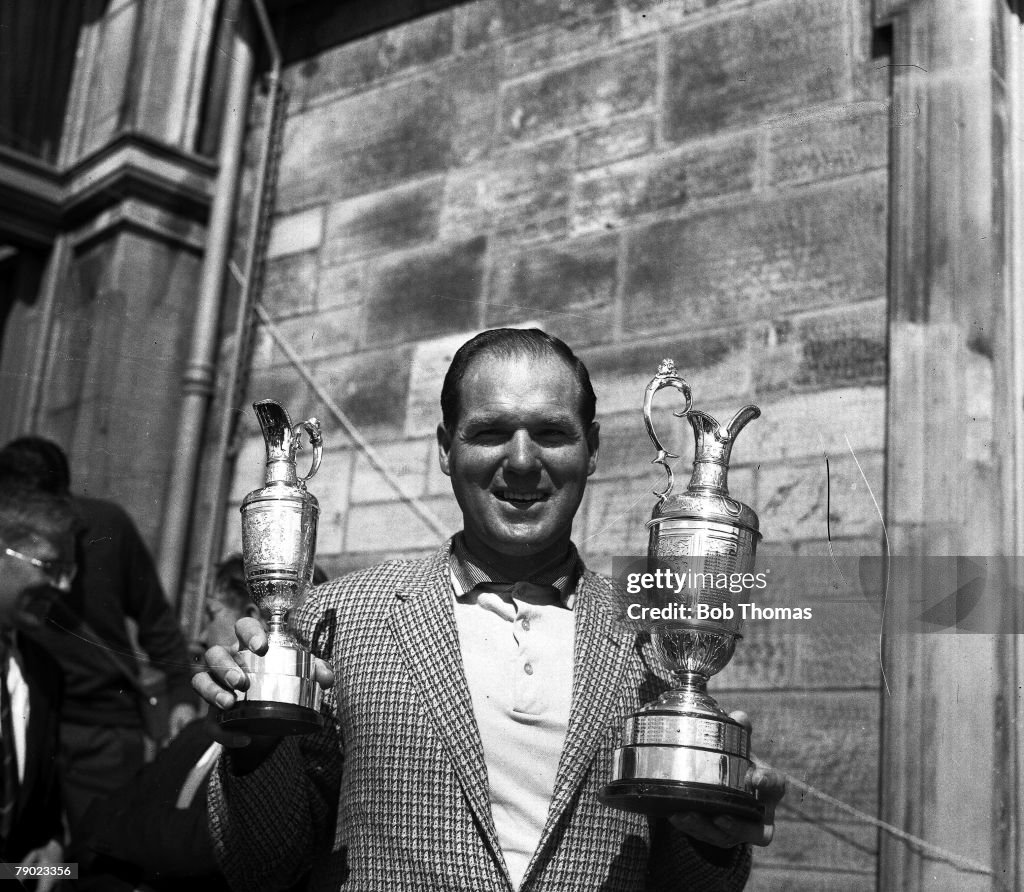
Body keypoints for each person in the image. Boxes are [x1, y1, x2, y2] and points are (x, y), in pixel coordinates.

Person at [195, 328, 786, 891]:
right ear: (446, 449)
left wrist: (712, 836)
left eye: (552, 433)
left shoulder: (656, 638)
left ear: (593, 450)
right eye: (490, 432)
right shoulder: (336, 618)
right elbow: (262, 871)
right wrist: (257, 747)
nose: (523, 460)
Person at [0, 437, 198, 855]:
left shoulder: (108, 527)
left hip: (104, 734)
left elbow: (157, 621)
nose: (63, 585)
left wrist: (181, 693)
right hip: (34, 718)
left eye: (62, 565)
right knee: (23, 854)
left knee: (96, 857)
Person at [79, 555, 320, 892]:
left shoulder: (298, 743)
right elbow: (123, 804)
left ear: (251, 619)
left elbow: (205, 844)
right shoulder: (196, 730)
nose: (199, 634)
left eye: (211, 614)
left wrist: (108, 829)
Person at [0, 484, 78, 890]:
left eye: (69, 571)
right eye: (49, 567)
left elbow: (41, 830)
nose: (63, 587)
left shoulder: (45, 674)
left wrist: (55, 859)